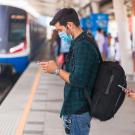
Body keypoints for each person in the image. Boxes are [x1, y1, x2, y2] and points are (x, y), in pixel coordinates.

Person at [38, 8, 100, 135]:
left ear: (70, 25)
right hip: (74, 110)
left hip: (78, 111)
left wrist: (56, 70)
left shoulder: (83, 46)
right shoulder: (78, 42)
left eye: (60, 30)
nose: (60, 34)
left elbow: (78, 79)